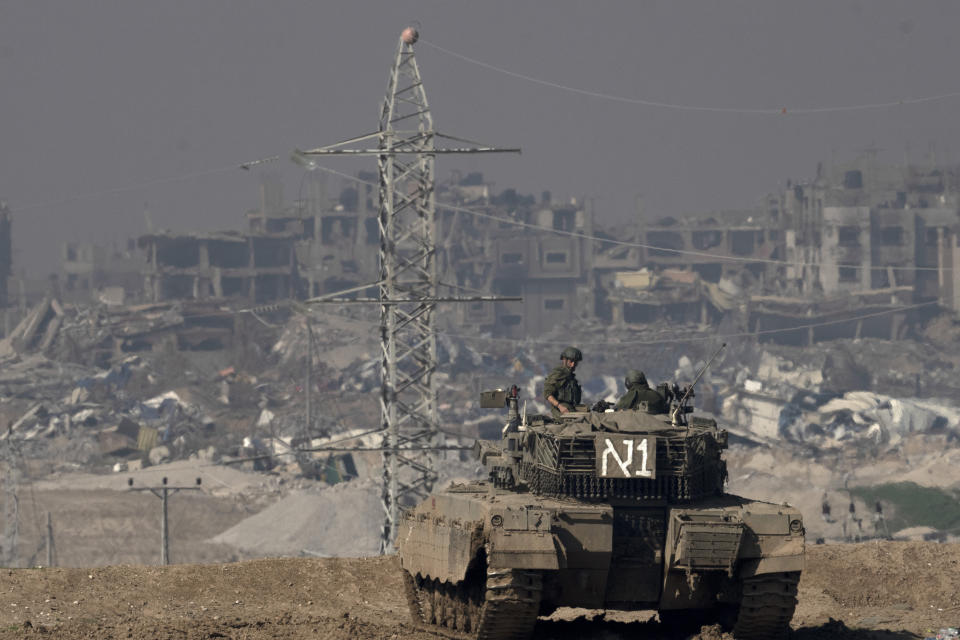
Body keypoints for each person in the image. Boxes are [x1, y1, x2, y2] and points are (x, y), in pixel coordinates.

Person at [544, 346, 583, 418]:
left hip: (572, 409)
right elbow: (548, 394)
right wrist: (560, 406)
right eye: (571, 361)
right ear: (565, 360)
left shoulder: (571, 377)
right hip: (561, 412)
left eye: (575, 362)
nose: (573, 364)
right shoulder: (558, 374)